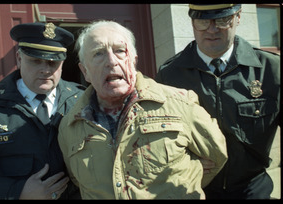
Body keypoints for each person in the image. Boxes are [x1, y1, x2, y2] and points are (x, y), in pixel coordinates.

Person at [58, 20, 227, 199]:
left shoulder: (179, 104)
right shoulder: (69, 127)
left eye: (120, 51)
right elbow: (78, 181)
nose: (111, 61)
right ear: (85, 72)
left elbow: (216, 156)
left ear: (134, 61)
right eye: (98, 53)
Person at [156, 4, 280, 199]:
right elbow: (159, 140)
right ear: (192, 22)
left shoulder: (271, 70)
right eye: (203, 21)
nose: (212, 29)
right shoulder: (169, 75)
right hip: (195, 190)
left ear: (238, 17)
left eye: (223, 20)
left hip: (253, 189)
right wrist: (186, 162)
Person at [0, 22, 84, 200]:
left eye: (52, 62)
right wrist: (18, 192)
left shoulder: (82, 101)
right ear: (18, 58)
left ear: (62, 63)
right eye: (35, 60)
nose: (45, 70)